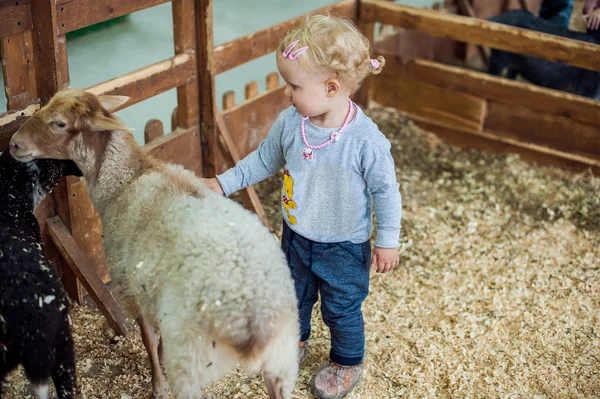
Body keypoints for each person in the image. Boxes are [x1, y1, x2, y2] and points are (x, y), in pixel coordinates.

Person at [202, 14, 402, 399]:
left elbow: (386, 192)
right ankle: (293, 343)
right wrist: (223, 183)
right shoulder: (292, 123)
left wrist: (387, 239)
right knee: (293, 298)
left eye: (293, 85)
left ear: (331, 87)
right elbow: (263, 160)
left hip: (344, 245)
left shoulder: (366, 141)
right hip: (296, 235)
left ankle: (346, 362)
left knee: (341, 310)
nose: (285, 93)